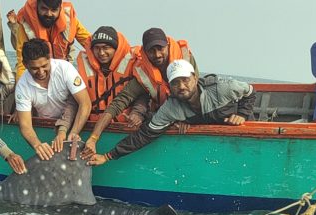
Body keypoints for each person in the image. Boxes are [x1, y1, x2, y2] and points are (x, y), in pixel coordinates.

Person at [83, 59, 256, 165]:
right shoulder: (171, 108)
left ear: (195, 78)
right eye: (175, 83)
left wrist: (242, 114)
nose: (181, 86)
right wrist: (107, 156)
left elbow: (250, 92)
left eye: (186, 80)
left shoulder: (223, 88)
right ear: (170, 87)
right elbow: (144, 136)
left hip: (242, 134)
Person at [83, 27, 196, 156]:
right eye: (151, 51)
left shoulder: (186, 59)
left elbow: (199, 92)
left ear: (168, 45)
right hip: (163, 118)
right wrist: (93, 138)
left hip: (191, 114)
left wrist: (187, 119)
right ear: (144, 52)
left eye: (160, 48)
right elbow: (118, 103)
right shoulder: (143, 74)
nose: (157, 54)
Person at [15, 38, 91, 161]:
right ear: (25, 65)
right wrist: (37, 145)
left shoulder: (65, 68)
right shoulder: (22, 86)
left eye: (44, 66)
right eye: (34, 68)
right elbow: (25, 125)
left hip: (71, 122)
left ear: (49, 58)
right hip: (45, 125)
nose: (41, 72)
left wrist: (73, 132)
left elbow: (85, 103)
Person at [76, 26, 148, 122]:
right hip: (90, 125)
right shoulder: (80, 66)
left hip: (125, 125)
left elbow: (143, 94)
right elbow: (74, 98)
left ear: (116, 48)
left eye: (106, 48)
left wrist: (137, 113)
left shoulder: (134, 64)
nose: (101, 53)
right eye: (97, 48)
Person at [13, 0, 90, 79]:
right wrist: (20, 86)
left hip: (63, 72)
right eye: (44, 9)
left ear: (60, 8)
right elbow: (22, 63)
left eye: (53, 10)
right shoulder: (25, 24)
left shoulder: (69, 19)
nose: (48, 14)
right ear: (37, 6)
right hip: (38, 75)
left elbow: (91, 43)